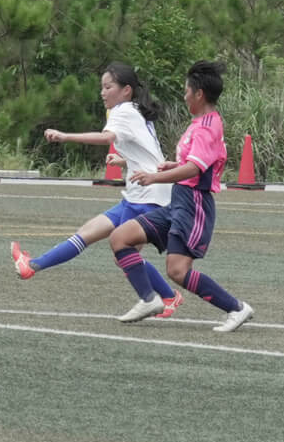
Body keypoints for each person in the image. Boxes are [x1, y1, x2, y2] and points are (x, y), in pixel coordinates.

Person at [9, 63, 183, 318]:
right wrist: (124, 161)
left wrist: (65, 136)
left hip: (149, 196)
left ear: (126, 90)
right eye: (102, 87)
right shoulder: (136, 109)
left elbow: (106, 139)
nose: (102, 92)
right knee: (88, 232)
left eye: (108, 87)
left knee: (123, 254)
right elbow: (148, 153)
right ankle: (32, 266)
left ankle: (153, 298)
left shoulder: (123, 111)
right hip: (140, 194)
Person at [106, 60, 254, 332]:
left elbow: (195, 169)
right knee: (120, 238)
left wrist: (154, 177)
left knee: (177, 271)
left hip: (194, 204)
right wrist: (173, 166)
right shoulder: (199, 123)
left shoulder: (208, 126)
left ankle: (236, 308)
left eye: (187, 91)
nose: (184, 96)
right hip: (179, 201)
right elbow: (197, 164)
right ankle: (149, 299)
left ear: (199, 94)